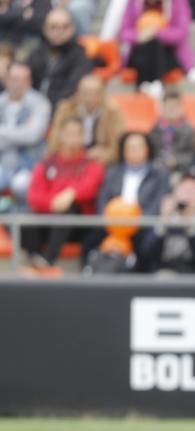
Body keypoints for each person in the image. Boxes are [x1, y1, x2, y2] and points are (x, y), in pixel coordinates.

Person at [24, 115, 104, 275]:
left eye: (77, 134)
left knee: (68, 209)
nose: (73, 138)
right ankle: (35, 259)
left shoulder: (91, 163)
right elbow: (34, 196)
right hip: (49, 219)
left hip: (79, 225)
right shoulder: (46, 163)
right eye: (69, 133)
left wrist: (71, 193)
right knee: (22, 222)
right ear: (61, 135)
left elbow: (90, 187)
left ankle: (48, 261)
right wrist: (53, 202)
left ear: (83, 137)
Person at [93, 131, 171, 267]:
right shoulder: (112, 173)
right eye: (130, 147)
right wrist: (111, 221)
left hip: (142, 226)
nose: (134, 150)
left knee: (150, 242)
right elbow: (102, 199)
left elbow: (158, 203)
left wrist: (134, 223)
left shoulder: (159, 175)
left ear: (147, 149)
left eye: (138, 146)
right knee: (91, 241)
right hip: (112, 225)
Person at [134, 174, 195, 272]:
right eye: (185, 190)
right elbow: (146, 251)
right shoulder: (164, 215)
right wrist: (164, 221)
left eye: (193, 191)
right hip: (163, 272)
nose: (188, 195)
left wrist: (189, 224)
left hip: (194, 275)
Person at [0, 62, 51, 213]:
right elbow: (25, 134)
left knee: (23, 184)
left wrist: (2, 132)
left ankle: (22, 231)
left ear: (30, 82)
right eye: (15, 79)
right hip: (2, 163)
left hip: (28, 165)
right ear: (6, 80)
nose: (19, 84)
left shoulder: (40, 103)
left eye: (24, 79)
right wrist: (19, 133)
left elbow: (32, 136)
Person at [49, 74, 126, 166]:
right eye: (86, 93)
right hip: (69, 157)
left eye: (95, 93)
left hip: (99, 162)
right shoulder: (65, 109)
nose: (90, 98)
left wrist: (104, 154)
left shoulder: (113, 112)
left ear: (103, 94)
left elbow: (117, 146)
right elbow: (55, 141)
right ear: (78, 93)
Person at [26, 7, 93, 110]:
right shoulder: (36, 53)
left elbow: (72, 91)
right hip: (31, 109)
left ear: (72, 29)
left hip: (62, 112)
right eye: (53, 27)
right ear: (45, 28)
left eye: (65, 27)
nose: (59, 31)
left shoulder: (81, 56)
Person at [119, 0, 195, 88]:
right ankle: (151, 86)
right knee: (148, 46)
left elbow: (182, 32)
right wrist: (139, 36)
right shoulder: (133, 2)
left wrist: (156, 33)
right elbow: (124, 32)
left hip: (168, 54)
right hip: (140, 53)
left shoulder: (177, 2)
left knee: (155, 45)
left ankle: (150, 86)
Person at [148, 89, 195, 174]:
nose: (171, 110)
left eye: (175, 106)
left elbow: (193, 156)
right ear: (162, 107)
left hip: (182, 171)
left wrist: (176, 161)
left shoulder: (190, 131)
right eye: (168, 106)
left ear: (181, 107)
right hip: (157, 170)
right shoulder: (154, 130)